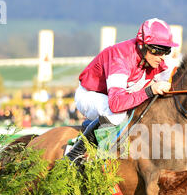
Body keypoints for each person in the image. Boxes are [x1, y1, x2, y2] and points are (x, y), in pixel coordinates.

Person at [66, 18, 179, 165]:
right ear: (142, 45)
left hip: (118, 97)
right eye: (157, 50)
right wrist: (149, 91)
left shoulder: (155, 60)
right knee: (118, 114)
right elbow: (116, 104)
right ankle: (74, 156)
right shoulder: (121, 57)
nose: (162, 57)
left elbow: (175, 81)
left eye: (166, 51)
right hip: (91, 95)